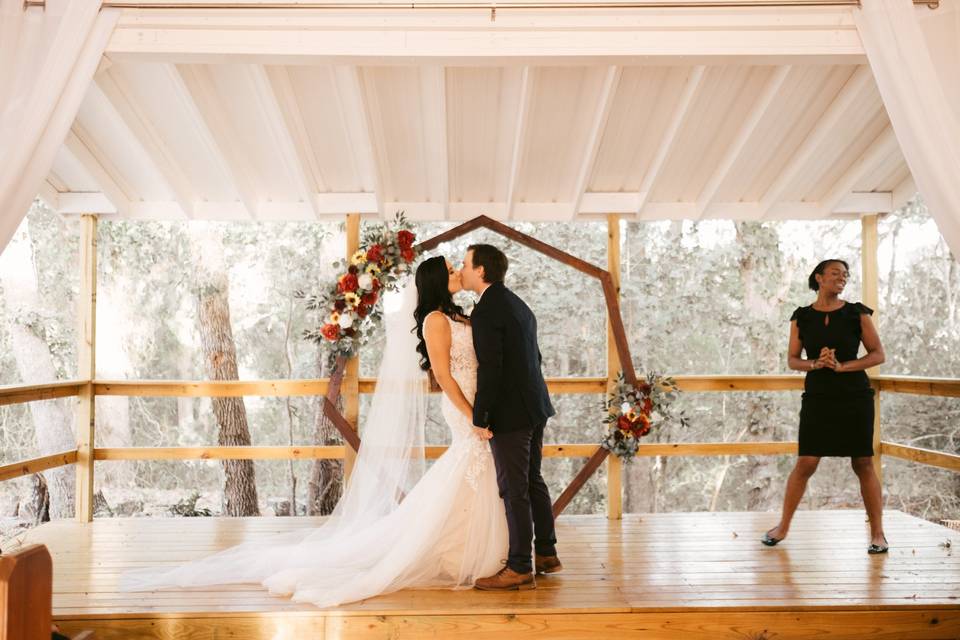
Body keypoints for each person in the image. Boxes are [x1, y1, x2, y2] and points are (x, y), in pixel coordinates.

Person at [120, 255, 508, 607]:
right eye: (452, 271)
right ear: (438, 281)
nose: (458, 272)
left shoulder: (459, 316)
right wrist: (473, 414)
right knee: (469, 463)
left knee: (475, 470)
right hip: (464, 406)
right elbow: (441, 373)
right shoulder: (435, 320)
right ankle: (457, 550)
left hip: (478, 399)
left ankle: (465, 546)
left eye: (461, 268)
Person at [762, 259, 888, 554]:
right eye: (835, 273)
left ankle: (878, 534)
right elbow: (793, 359)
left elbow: (878, 354)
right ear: (819, 278)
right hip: (818, 396)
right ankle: (782, 527)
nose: (841, 278)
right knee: (806, 462)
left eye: (845, 275)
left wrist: (844, 366)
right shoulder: (801, 317)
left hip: (855, 395)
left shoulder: (857, 313)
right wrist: (816, 364)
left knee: (863, 462)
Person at [460, 244, 562, 591]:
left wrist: (481, 415)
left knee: (513, 489)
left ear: (481, 271)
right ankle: (547, 553)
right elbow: (536, 356)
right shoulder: (517, 303)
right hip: (536, 405)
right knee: (533, 480)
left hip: (512, 412)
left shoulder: (488, 310)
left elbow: (492, 368)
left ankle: (520, 566)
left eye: (465, 264)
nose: (461, 269)